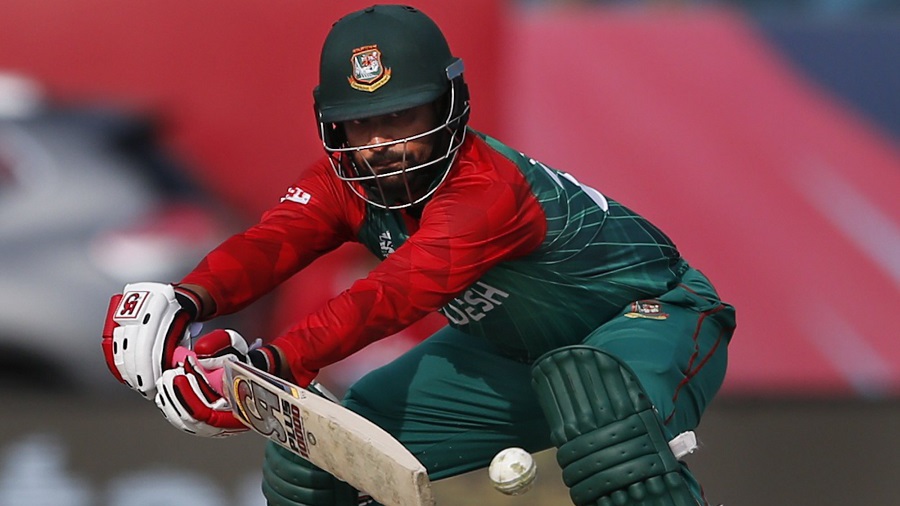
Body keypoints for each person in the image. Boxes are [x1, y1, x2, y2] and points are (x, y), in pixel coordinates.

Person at [101, 4, 736, 505]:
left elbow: (398, 291)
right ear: (334, 125)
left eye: (402, 118)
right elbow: (270, 242)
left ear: (449, 106)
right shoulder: (342, 183)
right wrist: (181, 298)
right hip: (507, 353)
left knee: (599, 407)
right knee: (320, 454)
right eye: (361, 124)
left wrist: (271, 363)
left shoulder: (487, 188)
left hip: (650, 318)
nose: (379, 145)